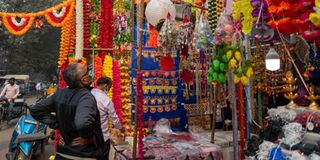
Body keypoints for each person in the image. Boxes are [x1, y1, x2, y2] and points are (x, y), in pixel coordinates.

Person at [30, 62, 104, 160]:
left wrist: (58, 124)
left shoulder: (59, 94)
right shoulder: (86, 97)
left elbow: (36, 110)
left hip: (63, 152)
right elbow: (83, 123)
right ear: (84, 79)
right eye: (87, 72)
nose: (90, 74)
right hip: (84, 154)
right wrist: (90, 136)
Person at [91, 77, 123, 160]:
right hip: (103, 136)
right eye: (110, 87)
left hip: (89, 135)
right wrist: (120, 128)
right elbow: (114, 118)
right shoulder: (105, 99)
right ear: (106, 86)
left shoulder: (90, 93)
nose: (109, 89)